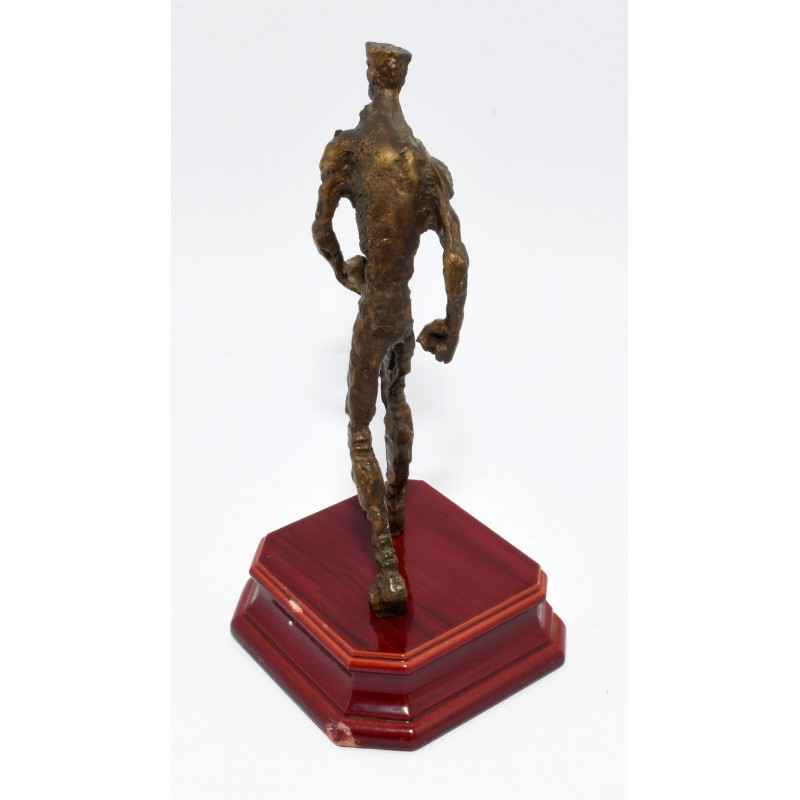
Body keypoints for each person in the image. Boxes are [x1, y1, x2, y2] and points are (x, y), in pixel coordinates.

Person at [312, 42, 469, 617]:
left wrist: (342, 269)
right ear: (400, 80)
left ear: (370, 76)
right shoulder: (423, 163)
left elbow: (321, 228)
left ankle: (387, 566)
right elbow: (456, 256)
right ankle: (397, 506)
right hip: (402, 309)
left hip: (375, 307)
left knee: (359, 425)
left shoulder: (350, 150)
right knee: (397, 395)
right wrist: (451, 324)